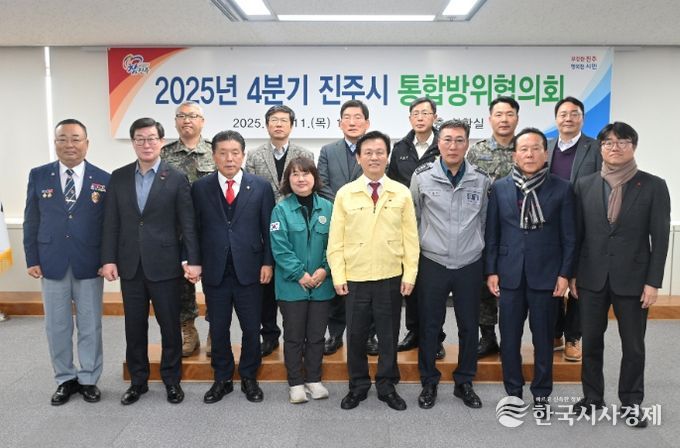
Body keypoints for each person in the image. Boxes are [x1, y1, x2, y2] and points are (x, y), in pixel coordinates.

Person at [571, 122, 670, 428]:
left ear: (633, 147)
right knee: (591, 342)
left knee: (633, 345)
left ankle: (631, 403)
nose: (615, 148)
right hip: (591, 278)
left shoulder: (653, 185)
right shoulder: (584, 185)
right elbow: (577, 235)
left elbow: (660, 238)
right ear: (600, 148)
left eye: (622, 142)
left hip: (634, 280)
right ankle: (592, 397)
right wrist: (573, 274)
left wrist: (653, 282)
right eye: (608, 143)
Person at [101, 117, 201, 405]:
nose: (146, 144)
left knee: (169, 326)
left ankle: (172, 380)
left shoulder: (176, 177)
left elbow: (188, 224)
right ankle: (138, 381)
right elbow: (111, 222)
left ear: (161, 142)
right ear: (133, 142)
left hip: (166, 264)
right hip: (130, 264)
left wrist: (193, 260)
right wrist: (108, 259)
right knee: (134, 327)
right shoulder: (119, 177)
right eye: (140, 139)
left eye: (152, 138)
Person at [484, 127, 575, 412]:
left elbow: (570, 237)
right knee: (509, 338)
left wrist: (564, 274)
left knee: (543, 340)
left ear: (545, 153)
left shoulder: (562, 188)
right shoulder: (500, 188)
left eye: (536, 148)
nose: (530, 154)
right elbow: (492, 233)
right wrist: (491, 271)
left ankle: (542, 394)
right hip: (509, 274)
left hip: (546, 275)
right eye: (524, 149)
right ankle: (513, 391)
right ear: (515, 155)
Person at [328, 130, 419, 411]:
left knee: (388, 335)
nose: (374, 157)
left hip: (390, 276)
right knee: (355, 335)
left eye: (380, 152)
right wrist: (338, 275)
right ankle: (357, 385)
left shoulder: (401, 192)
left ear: (387, 157)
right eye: (368, 152)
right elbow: (335, 240)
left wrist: (410, 274)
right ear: (358, 158)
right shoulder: (345, 194)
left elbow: (411, 239)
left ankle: (387, 385)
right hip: (355, 277)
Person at [23, 119, 110, 405]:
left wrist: (108, 260)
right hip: (52, 261)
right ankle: (64, 378)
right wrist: (32, 258)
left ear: (87, 143)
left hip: (90, 262)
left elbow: (109, 226)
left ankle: (88, 378)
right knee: (56, 325)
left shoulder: (103, 178)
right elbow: (31, 219)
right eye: (63, 139)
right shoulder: (39, 175)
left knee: (90, 324)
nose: (69, 145)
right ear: (55, 142)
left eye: (75, 138)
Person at [411, 120, 491, 409]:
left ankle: (464, 381)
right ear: (438, 143)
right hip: (433, 261)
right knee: (430, 325)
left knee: (469, 325)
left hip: (470, 262)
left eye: (459, 140)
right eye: (447, 140)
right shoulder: (422, 177)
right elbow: (414, 219)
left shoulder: (481, 179)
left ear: (467, 144)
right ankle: (428, 381)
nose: (453, 146)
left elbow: (484, 221)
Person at [192, 130, 275, 404]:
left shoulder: (260, 187)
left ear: (243, 155)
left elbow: (268, 229)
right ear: (214, 156)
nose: (229, 159)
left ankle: (249, 377)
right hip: (214, 269)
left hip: (250, 269)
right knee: (219, 328)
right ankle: (222, 378)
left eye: (235, 153)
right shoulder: (200, 188)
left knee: (251, 328)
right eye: (223, 153)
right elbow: (193, 229)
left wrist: (268, 262)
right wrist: (193, 261)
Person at [245, 105, 314, 357]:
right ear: (266, 125)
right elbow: (249, 191)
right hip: (263, 228)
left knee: (295, 281)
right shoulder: (254, 155)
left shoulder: (304, 154)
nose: (278, 124)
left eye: (284, 120)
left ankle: (299, 336)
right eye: (273, 120)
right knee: (266, 286)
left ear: (291, 125)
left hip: (296, 226)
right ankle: (270, 334)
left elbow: (308, 189)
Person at [270, 157, 334, 404]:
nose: (300, 179)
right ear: (288, 180)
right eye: (295, 174)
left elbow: (335, 244)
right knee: (294, 336)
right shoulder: (280, 209)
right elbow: (280, 247)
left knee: (317, 336)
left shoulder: (328, 208)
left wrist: (324, 270)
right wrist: (300, 274)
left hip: (321, 284)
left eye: (305, 173)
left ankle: (314, 380)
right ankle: (296, 383)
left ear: (314, 178)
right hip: (291, 285)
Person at [317, 99, 378, 357]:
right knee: (336, 279)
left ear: (367, 122)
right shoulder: (327, 151)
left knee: (370, 283)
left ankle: (370, 335)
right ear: (340, 122)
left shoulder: (375, 149)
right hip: (336, 224)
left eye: (357, 117)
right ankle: (335, 334)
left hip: (369, 226)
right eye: (347, 117)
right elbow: (321, 184)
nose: (352, 122)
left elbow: (379, 181)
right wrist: (345, 206)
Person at [387, 97, 445, 359]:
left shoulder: (444, 144)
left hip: (436, 223)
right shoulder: (400, 147)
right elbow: (392, 183)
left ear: (435, 117)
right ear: (410, 118)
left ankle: (436, 336)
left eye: (425, 113)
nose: (420, 118)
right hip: (406, 224)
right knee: (410, 278)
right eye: (416, 113)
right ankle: (413, 331)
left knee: (434, 284)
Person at [547, 96, 602, 362]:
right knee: (551, 279)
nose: (568, 118)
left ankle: (573, 337)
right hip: (550, 226)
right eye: (563, 114)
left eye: (574, 114)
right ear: (556, 118)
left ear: (582, 118)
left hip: (585, 224)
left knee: (579, 282)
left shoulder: (596, 148)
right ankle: (556, 332)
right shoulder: (545, 146)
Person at [161, 101, 215, 357]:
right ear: (175, 122)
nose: (187, 120)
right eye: (181, 116)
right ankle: (188, 330)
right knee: (181, 283)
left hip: (211, 227)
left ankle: (216, 329)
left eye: (192, 116)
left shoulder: (215, 150)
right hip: (176, 229)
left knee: (215, 280)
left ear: (202, 121)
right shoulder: (164, 153)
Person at [467, 96, 519, 358]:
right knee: (483, 283)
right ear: (490, 119)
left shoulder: (526, 147)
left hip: (517, 228)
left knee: (513, 283)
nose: (504, 119)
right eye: (499, 114)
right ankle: (487, 336)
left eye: (509, 114)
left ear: (516, 118)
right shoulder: (477, 151)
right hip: (484, 225)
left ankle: (511, 336)